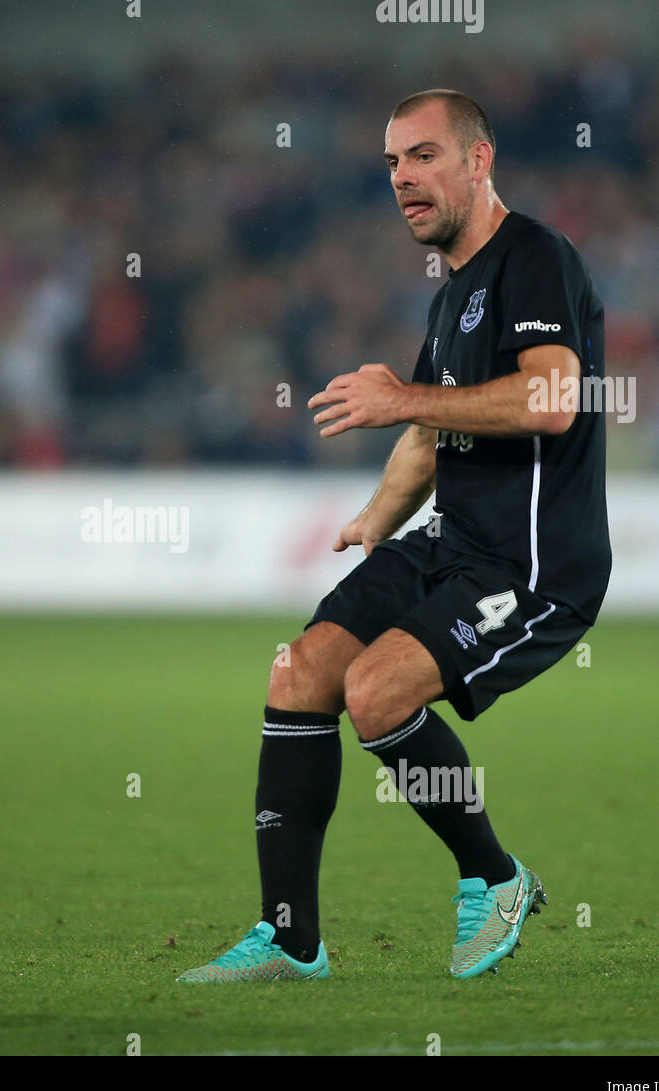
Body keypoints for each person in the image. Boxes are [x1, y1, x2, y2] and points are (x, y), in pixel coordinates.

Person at [178, 89, 610, 982]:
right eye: (391, 165)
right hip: (449, 541)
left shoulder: (535, 259)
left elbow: (552, 400)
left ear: (478, 161)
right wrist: (379, 515)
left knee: (376, 693)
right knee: (300, 674)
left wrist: (404, 398)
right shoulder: (452, 293)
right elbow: (429, 432)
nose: (403, 180)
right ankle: (293, 941)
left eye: (422, 156)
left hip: (531, 565)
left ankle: (495, 878)